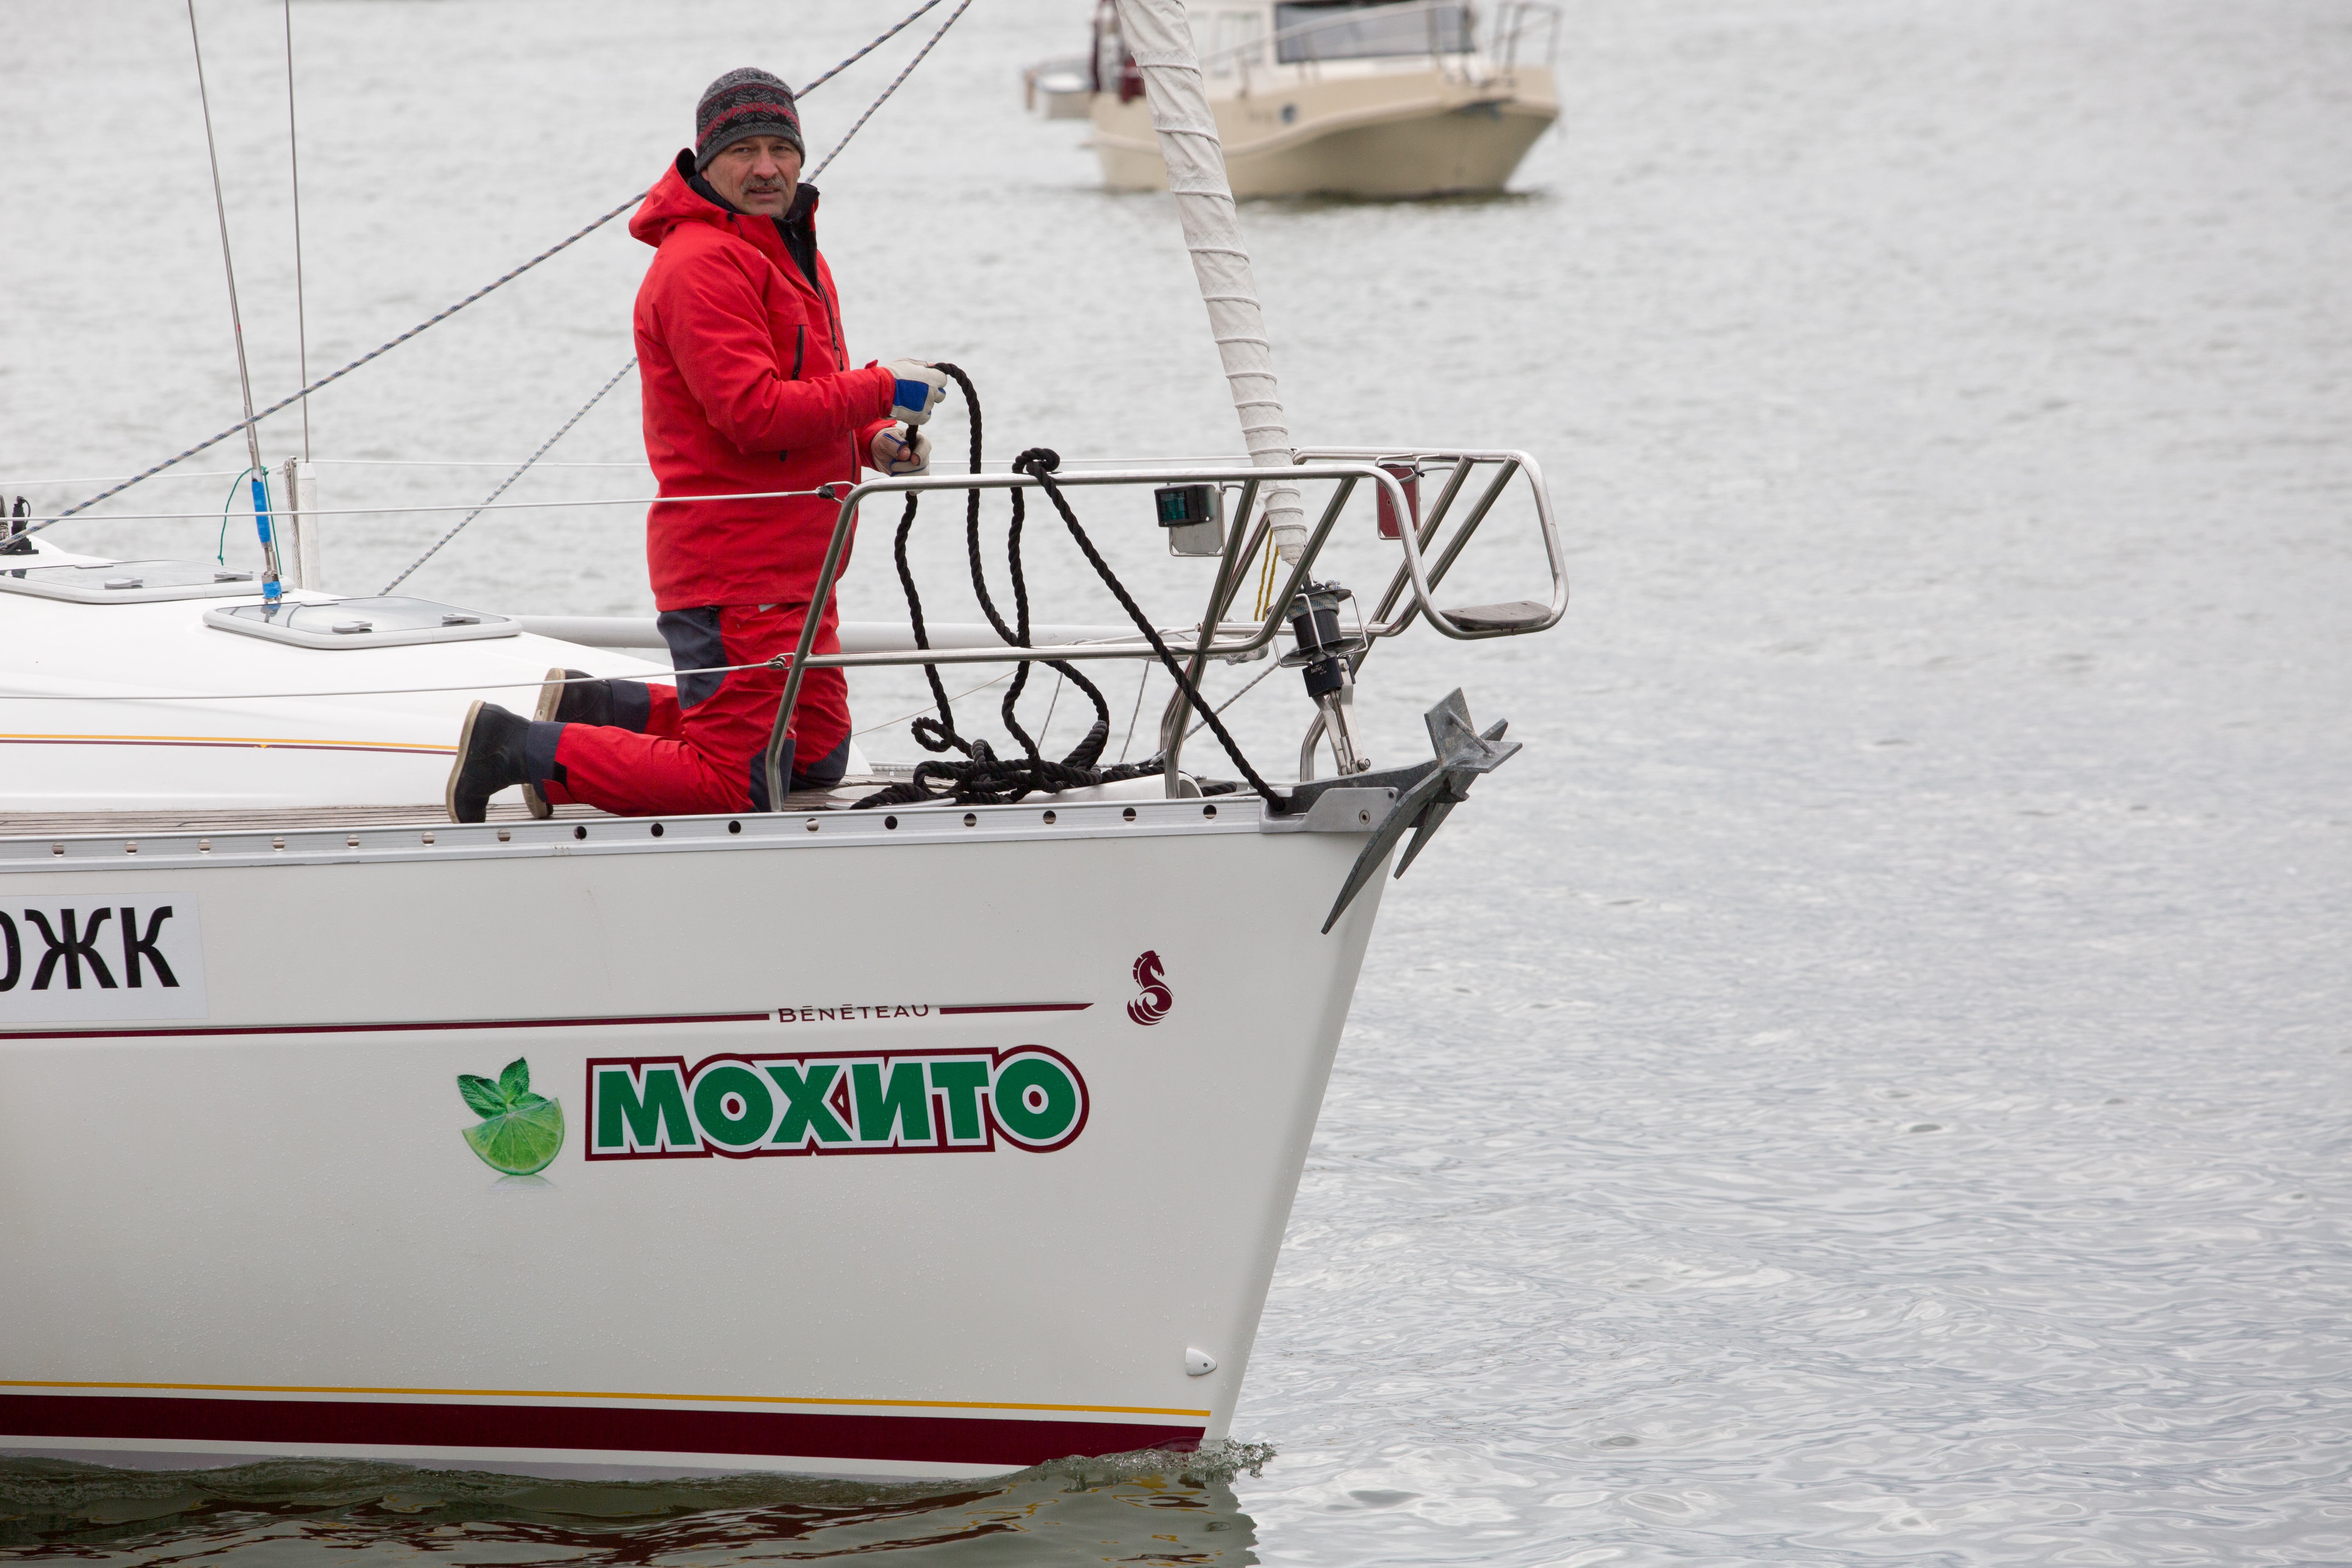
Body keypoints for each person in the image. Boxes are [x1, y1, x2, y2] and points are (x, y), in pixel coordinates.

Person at [446, 66, 950, 822]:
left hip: (799, 568)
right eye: (745, 150)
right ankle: (518, 747)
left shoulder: (784, 246)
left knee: (814, 759)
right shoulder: (700, 264)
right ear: (705, 161)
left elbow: (813, 385)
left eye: (781, 147)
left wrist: (872, 438)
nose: (766, 168)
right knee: (735, 786)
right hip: (737, 572)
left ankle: (595, 705)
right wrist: (881, 388)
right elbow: (753, 414)